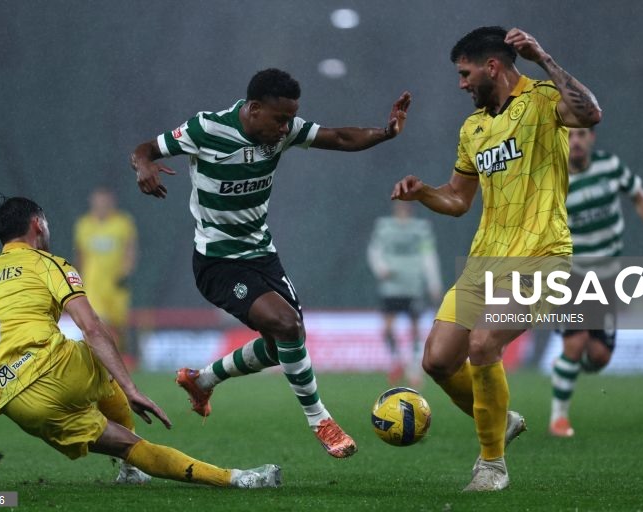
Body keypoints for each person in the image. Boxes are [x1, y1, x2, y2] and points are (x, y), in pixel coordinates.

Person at [131, 68, 411, 459]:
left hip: (263, 254)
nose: (285, 129)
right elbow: (145, 148)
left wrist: (386, 133)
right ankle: (321, 421)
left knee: (284, 345)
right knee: (287, 325)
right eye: (279, 119)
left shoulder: (284, 129)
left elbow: (341, 137)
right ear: (255, 108)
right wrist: (143, 166)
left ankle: (202, 380)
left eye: (289, 120)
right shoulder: (206, 129)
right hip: (218, 261)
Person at [391, 27, 602, 491]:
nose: (461, 84)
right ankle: (501, 419)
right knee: (438, 361)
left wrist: (543, 57)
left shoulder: (546, 99)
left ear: (492, 67)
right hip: (486, 261)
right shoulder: (473, 128)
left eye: (465, 74)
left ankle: (492, 466)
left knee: (483, 344)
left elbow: (591, 112)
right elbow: (458, 199)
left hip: (543, 255)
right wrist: (423, 191)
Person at [0, 196, 280, 488]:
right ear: (37, 225)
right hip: (56, 369)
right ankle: (226, 477)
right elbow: (93, 329)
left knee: (131, 448)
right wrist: (131, 389)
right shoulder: (47, 263)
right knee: (100, 351)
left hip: (18, 403)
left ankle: (232, 479)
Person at [548, 127, 643, 437]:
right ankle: (558, 419)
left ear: (591, 138)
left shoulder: (610, 166)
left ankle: (564, 368)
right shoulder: (554, 181)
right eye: (569, 136)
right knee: (576, 342)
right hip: (571, 276)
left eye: (581, 134)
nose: (576, 141)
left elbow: (640, 198)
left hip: (608, 277)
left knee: (599, 356)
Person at [367, 200, 442, 387]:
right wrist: (380, 268)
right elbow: (375, 251)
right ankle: (397, 361)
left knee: (415, 328)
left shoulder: (420, 229)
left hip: (413, 285)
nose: (402, 211)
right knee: (387, 329)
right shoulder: (384, 227)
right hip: (391, 286)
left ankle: (415, 368)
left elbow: (428, 256)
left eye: (405, 207)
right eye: (399, 207)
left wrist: (434, 282)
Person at [73, 187, 138, 369]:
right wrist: (77, 277)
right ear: (92, 202)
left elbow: (130, 250)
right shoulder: (84, 224)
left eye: (104, 202)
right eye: (98, 202)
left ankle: (124, 358)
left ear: (111, 202)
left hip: (116, 284)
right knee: (100, 322)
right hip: (93, 283)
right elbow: (80, 255)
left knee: (119, 324)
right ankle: (102, 362)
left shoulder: (123, 223)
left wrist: (126, 271)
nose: (101, 205)